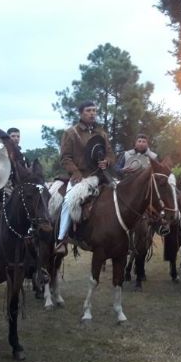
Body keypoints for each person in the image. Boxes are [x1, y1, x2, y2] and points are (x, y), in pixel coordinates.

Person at [55, 101, 115, 255]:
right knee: (69, 201)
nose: (92, 113)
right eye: (89, 110)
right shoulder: (71, 133)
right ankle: (61, 239)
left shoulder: (101, 133)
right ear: (81, 113)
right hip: (80, 177)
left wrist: (106, 161)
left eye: (94, 110)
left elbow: (110, 154)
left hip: (100, 176)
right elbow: (65, 157)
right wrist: (75, 172)